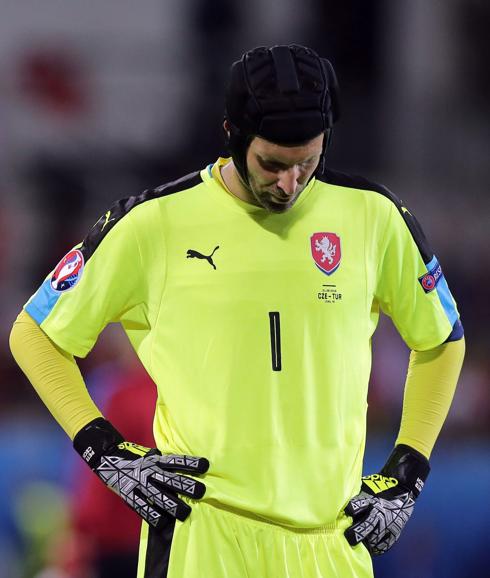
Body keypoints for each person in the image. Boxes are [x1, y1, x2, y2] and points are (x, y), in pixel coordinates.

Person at [10, 44, 465, 578]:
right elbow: (34, 333)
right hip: (203, 536)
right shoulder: (153, 223)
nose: (290, 184)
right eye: (272, 163)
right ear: (233, 134)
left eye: (308, 163)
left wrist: (407, 471)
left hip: (331, 544)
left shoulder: (375, 218)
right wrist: (102, 448)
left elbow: (441, 339)